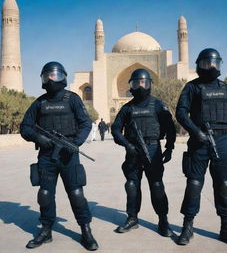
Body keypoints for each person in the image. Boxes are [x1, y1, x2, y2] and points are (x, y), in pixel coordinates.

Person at [20, 61, 98, 251]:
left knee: (77, 194)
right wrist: (38, 137)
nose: (51, 79)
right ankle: (46, 230)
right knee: (45, 194)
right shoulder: (39, 102)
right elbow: (25, 127)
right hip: (46, 156)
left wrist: (75, 143)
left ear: (62, 77)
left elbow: (85, 124)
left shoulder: (72, 99)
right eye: (48, 76)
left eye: (54, 75)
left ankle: (85, 230)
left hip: (68, 155)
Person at [175, 48, 227, 248]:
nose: (211, 66)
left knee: (224, 185)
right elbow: (181, 113)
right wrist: (195, 132)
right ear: (199, 65)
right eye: (207, 63)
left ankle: (226, 228)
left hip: (222, 141)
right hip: (199, 141)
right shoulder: (192, 87)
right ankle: (187, 227)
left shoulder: (225, 88)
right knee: (194, 185)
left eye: (215, 63)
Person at [111, 68, 176, 237]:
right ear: (131, 85)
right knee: (132, 185)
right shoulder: (127, 108)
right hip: (133, 151)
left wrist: (170, 147)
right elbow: (116, 129)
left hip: (153, 149)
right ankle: (132, 218)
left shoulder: (158, 105)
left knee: (156, 185)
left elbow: (170, 128)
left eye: (143, 82)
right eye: (136, 83)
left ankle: (163, 220)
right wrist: (127, 145)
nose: (140, 86)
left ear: (149, 84)